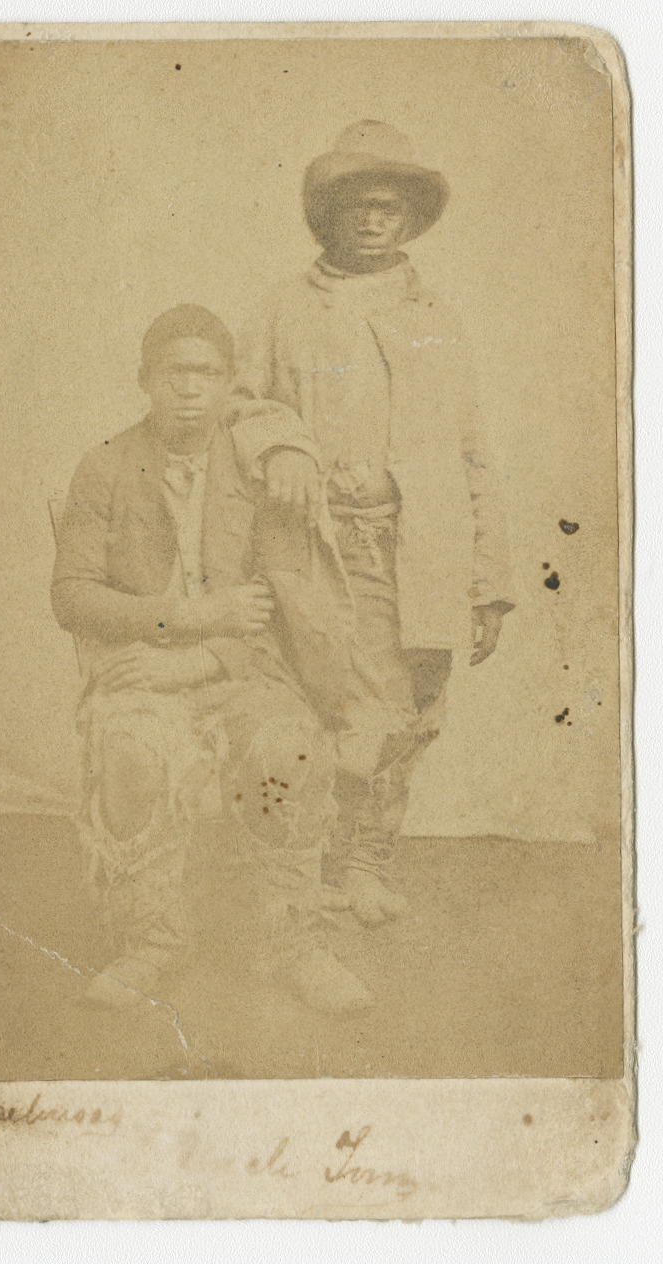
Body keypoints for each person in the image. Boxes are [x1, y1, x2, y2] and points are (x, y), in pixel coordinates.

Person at [51, 304, 373, 1013]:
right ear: (145, 380)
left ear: (231, 384)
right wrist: (186, 619)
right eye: (174, 372)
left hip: (243, 669)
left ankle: (289, 943)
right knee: (135, 748)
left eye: (207, 373)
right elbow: (71, 595)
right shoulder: (105, 466)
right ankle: (153, 939)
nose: (191, 388)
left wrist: (201, 660)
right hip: (140, 668)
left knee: (285, 747)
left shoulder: (262, 470)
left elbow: (286, 604)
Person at [231, 121, 515, 925]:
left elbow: (472, 450)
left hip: (419, 545)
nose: (372, 219)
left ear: (410, 218)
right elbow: (239, 402)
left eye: (388, 207)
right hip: (315, 544)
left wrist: (490, 582)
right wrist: (284, 442)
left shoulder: (436, 314)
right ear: (329, 212)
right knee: (325, 702)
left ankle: (366, 861)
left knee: (410, 709)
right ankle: (310, 865)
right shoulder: (285, 306)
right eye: (357, 204)